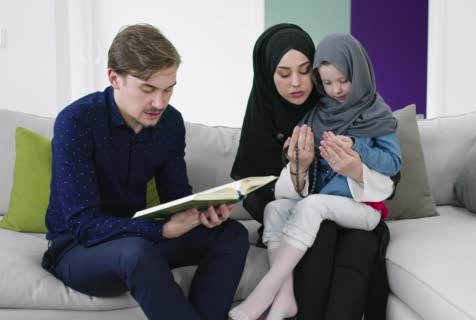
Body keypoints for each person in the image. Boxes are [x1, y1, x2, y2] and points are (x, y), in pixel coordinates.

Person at [41, 24, 249, 320]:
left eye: (168, 89)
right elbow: (84, 225)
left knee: (232, 235)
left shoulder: (170, 123)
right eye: (148, 89)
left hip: (140, 241)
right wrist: (162, 229)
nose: (159, 103)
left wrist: (203, 213)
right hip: (77, 249)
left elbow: (176, 197)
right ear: (114, 78)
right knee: (136, 253)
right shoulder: (76, 121)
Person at [230, 29, 400, 320]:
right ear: (267, 75)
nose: (296, 83)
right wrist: (299, 169)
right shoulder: (311, 116)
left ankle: (269, 293)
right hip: (309, 215)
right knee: (286, 213)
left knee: (348, 251)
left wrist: (356, 167)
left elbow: (390, 174)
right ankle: (283, 298)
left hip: (356, 211)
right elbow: (255, 196)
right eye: (283, 74)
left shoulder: (361, 110)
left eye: (305, 71)